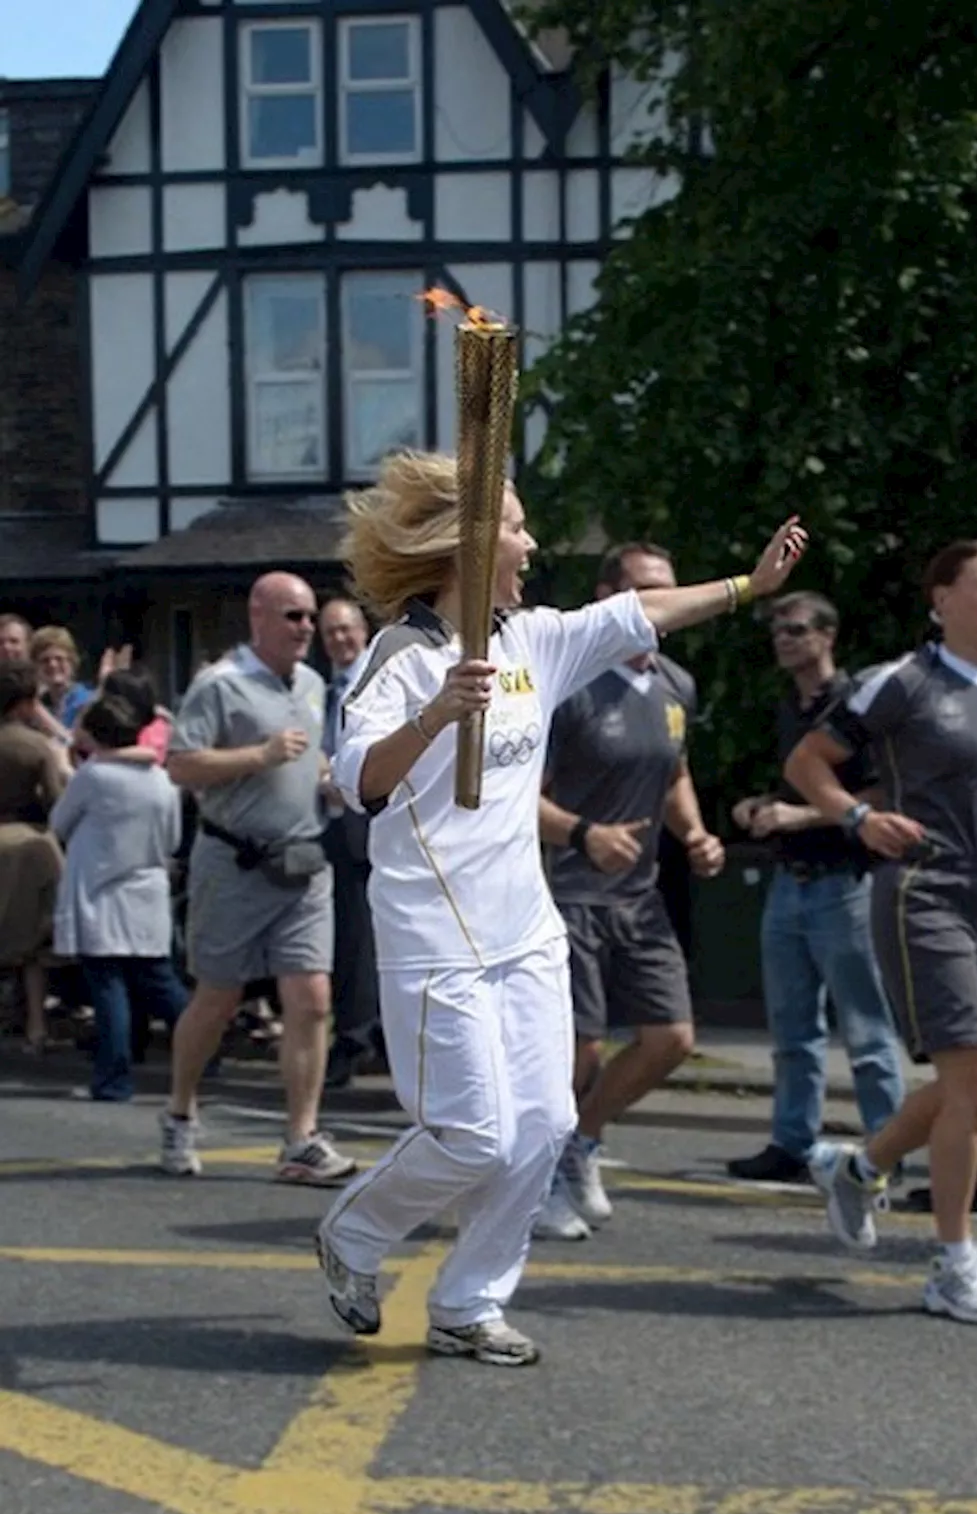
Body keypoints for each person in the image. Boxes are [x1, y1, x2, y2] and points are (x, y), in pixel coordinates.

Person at [317, 447, 807, 1365]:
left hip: (524, 926)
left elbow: (642, 613)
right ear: (463, 544)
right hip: (433, 934)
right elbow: (360, 784)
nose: (531, 542)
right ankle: (352, 1231)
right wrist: (434, 720)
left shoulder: (533, 640)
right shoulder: (407, 657)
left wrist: (749, 582)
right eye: (513, 526)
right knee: (471, 1136)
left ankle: (469, 1301)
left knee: (544, 1125)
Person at [785, 539, 977, 1325]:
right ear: (941, 598)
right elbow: (808, 761)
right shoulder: (900, 682)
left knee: (971, 1088)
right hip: (920, 891)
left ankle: (859, 1166)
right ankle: (953, 1264)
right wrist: (858, 816)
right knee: (975, 1085)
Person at [533, 540, 724, 1240]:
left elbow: (673, 773)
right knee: (577, 1050)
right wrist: (584, 833)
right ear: (608, 600)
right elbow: (516, 798)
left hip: (640, 896)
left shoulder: (676, 683)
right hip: (569, 891)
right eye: (645, 592)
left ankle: (581, 1142)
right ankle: (541, 1175)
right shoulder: (568, 685)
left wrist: (696, 832)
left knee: (670, 1037)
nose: (662, 607)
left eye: (669, 591)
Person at [159, 571, 356, 1185]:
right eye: (294, 617)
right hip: (234, 862)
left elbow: (311, 756)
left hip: (302, 861)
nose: (306, 630)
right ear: (258, 617)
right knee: (218, 999)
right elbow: (180, 765)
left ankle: (301, 1138)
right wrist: (259, 756)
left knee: (312, 998)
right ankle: (180, 1112)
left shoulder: (315, 684)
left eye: (310, 618)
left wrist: (328, 782)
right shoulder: (219, 685)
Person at [724, 592, 903, 1184]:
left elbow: (880, 798)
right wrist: (765, 807)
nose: (785, 639)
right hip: (790, 881)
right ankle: (792, 1142)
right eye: (779, 630)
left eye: (797, 630)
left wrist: (799, 817)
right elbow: (800, 792)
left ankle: (887, 1147)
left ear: (828, 637)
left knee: (867, 1028)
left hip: (844, 883)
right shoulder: (790, 708)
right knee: (793, 1029)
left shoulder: (855, 708)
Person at [49, 692, 188, 1102]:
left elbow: (59, 822)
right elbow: (173, 838)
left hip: (100, 893)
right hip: (147, 892)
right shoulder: (160, 778)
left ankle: (113, 1077)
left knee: (108, 986)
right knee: (160, 982)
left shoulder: (94, 777)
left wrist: (64, 768)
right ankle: (206, 1047)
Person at [318, 596, 381, 1089]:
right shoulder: (324, 690)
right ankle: (362, 1033)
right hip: (335, 827)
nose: (340, 640)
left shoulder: (374, 680)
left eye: (347, 630)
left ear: (363, 631)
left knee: (363, 939)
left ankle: (359, 1038)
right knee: (351, 938)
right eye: (331, 633)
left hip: (371, 825)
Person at [0, 663, 66, 1052]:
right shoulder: (35, 746)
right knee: (33, 945)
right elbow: (57, 801)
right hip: (27, 844)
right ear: (25, 704)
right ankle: (37, 1027)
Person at [31, 627, 94, 735]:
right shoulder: (39, 702)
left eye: (59, 658)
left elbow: (75, 743)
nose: (53, 664)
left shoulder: (88, 701)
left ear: (72, 661)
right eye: (45, 660)